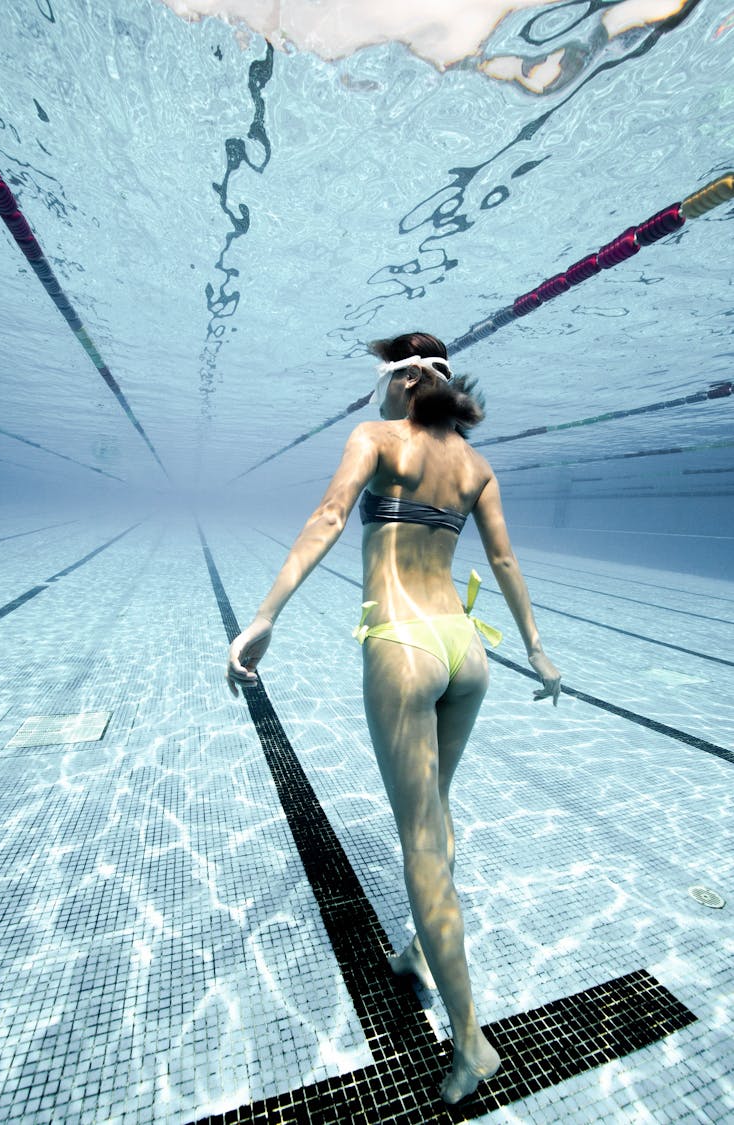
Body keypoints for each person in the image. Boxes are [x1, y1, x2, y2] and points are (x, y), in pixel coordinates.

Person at [227, 331, 561, 1104]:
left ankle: (471, 1038)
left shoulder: (376, 437)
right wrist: (538, 650)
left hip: (403, 647)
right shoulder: (475, 466)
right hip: (465, 651)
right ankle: (419, 947)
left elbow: (331, 513)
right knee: (437, 808)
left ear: (407, 382)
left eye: (382, 380)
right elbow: (506, 562)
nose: (374, 395)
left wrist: (266, 614)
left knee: (418, 841)